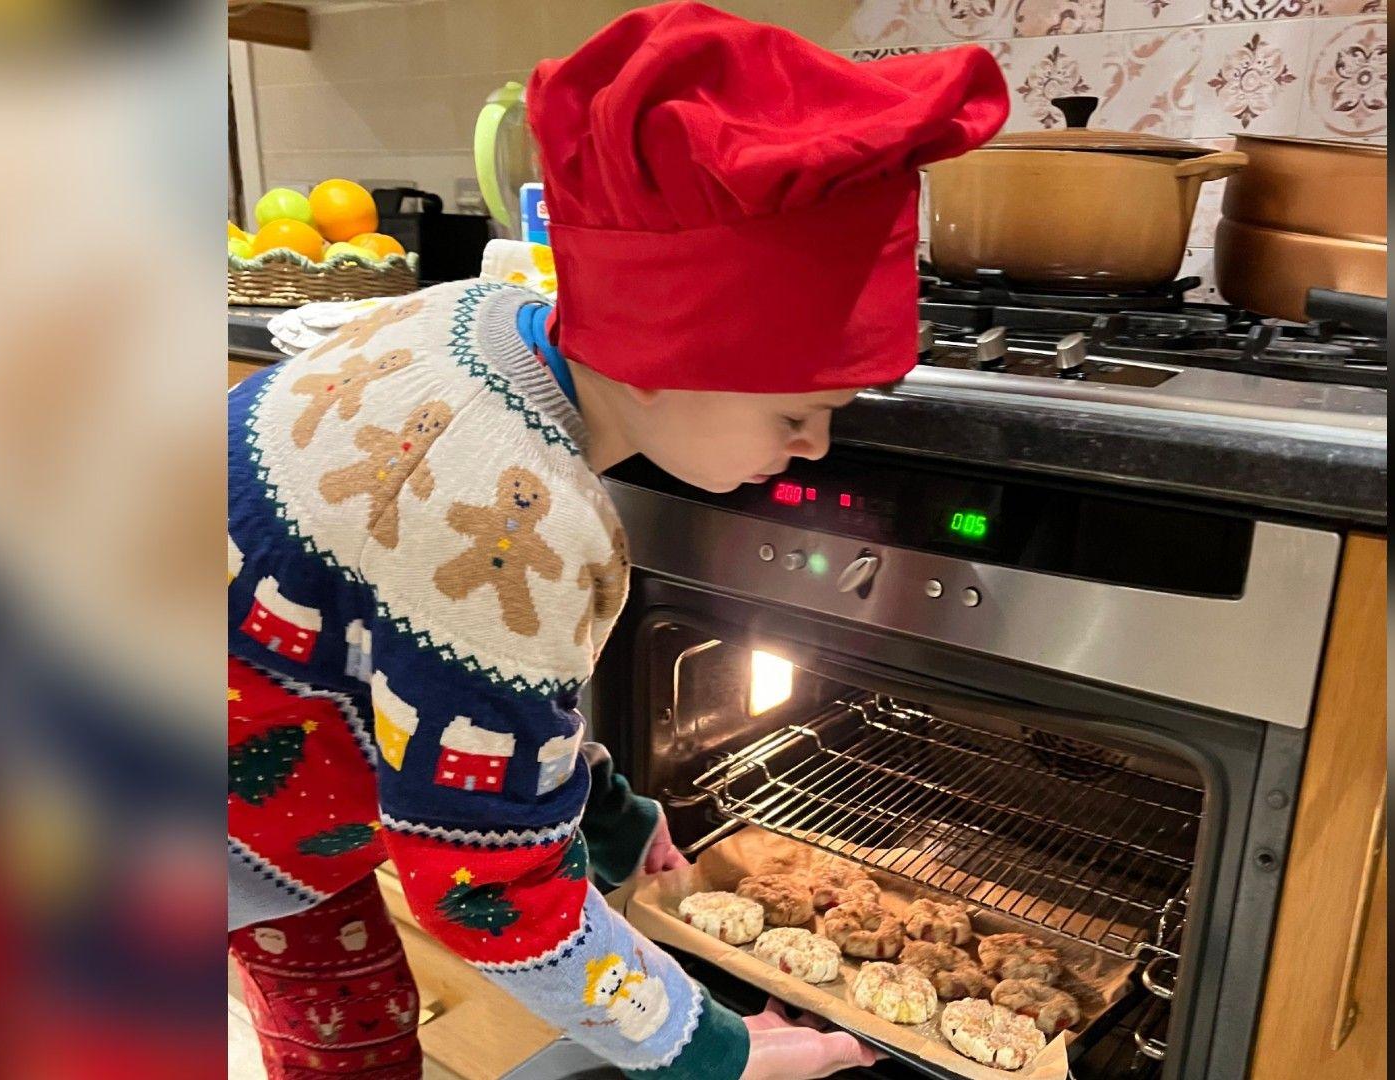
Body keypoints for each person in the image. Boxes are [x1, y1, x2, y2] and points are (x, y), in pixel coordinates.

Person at [224, 4, 1008, 1078]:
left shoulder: (480, 319)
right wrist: (720, 1052)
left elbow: (455, 700)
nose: (816, 447)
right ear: (654, 357)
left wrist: (609, 819)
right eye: (794, 412)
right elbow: (484, 892)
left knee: (355, 1023)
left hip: (250, 760)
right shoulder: (518, 523)